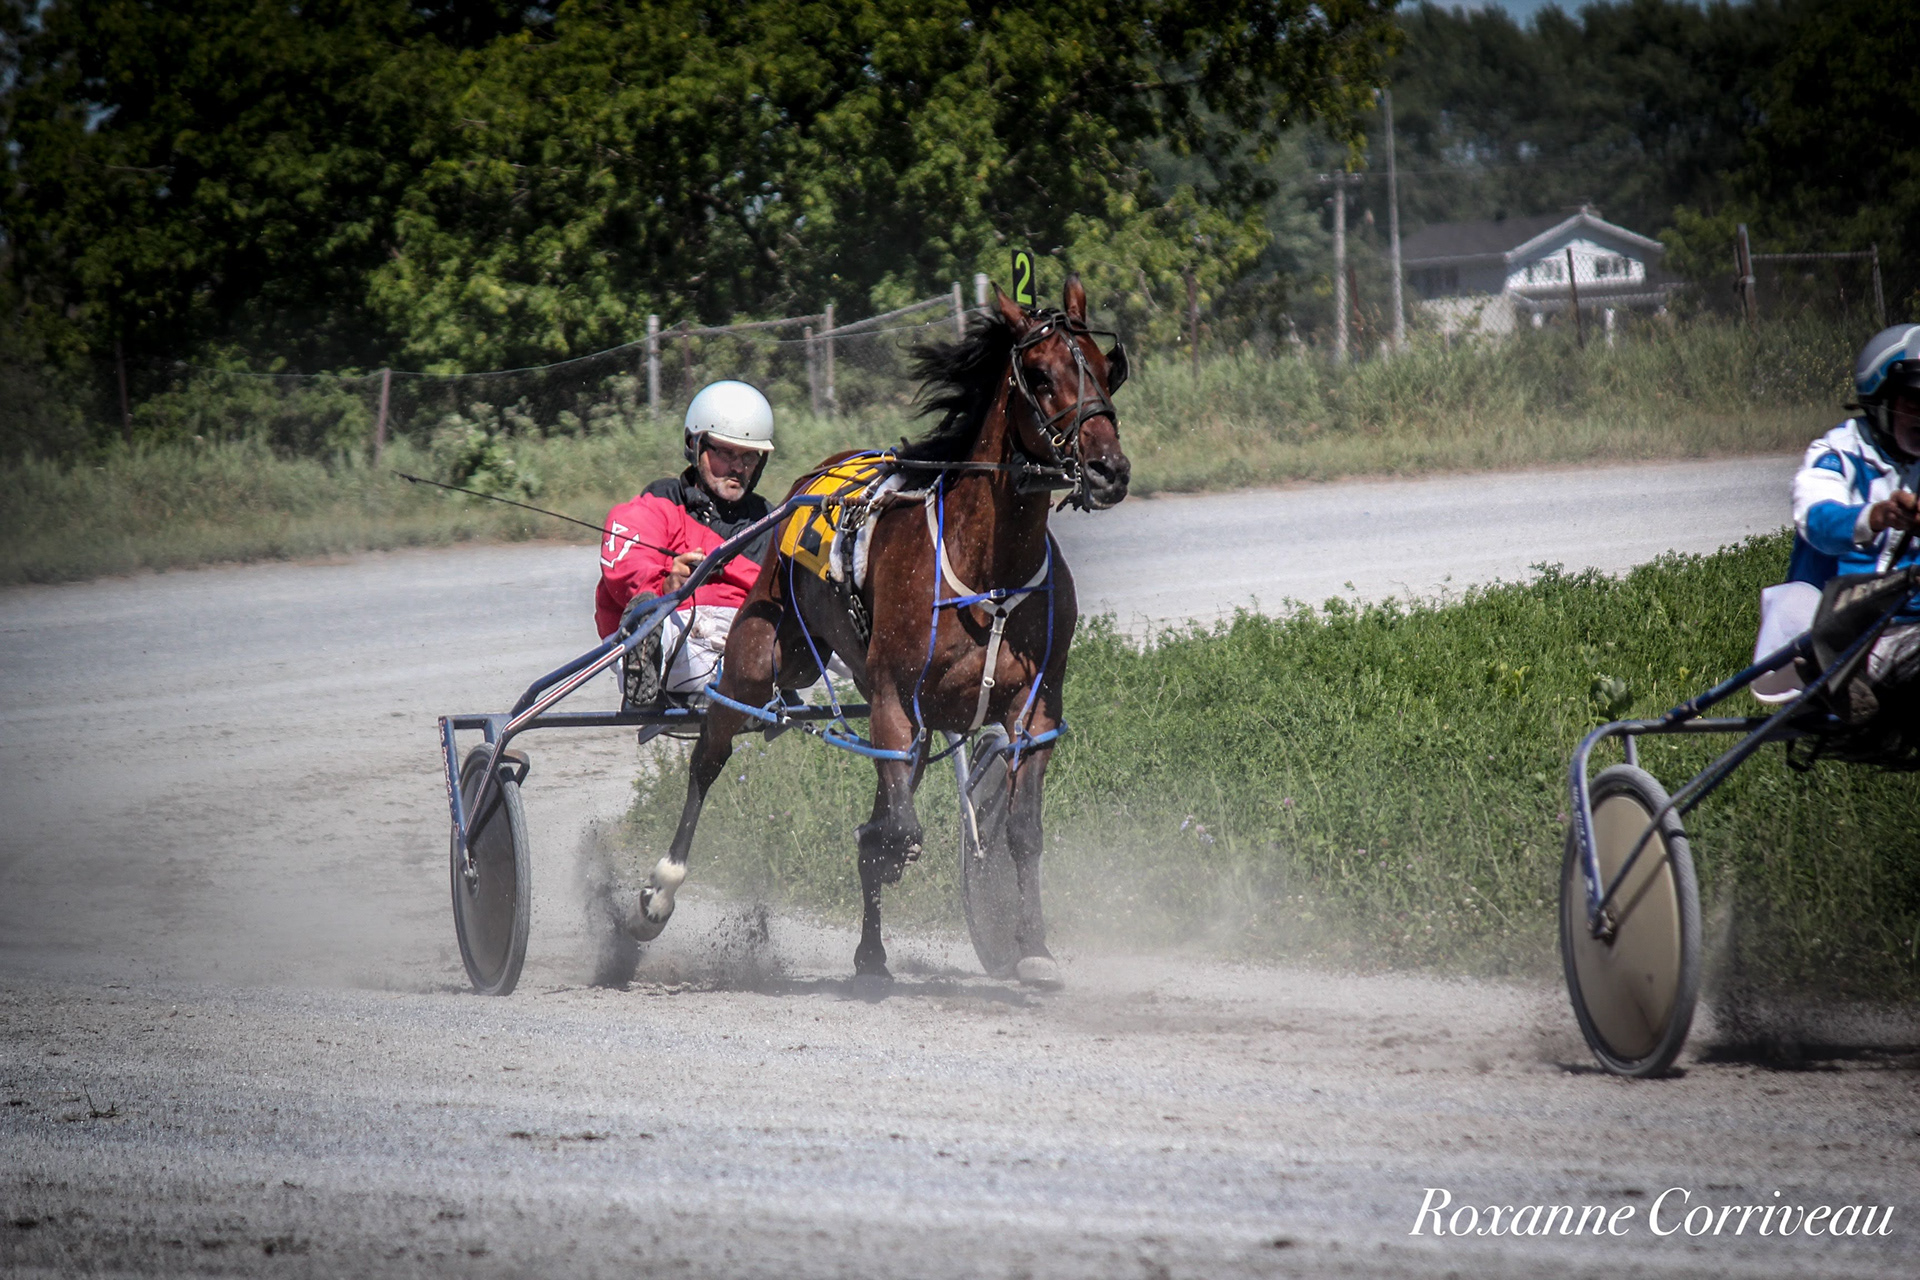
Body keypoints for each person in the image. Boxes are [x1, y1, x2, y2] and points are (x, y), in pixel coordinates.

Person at [1753, 323, 1920, 708]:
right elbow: (1815, 518)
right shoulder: (1839, 452)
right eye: (1914, 401)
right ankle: (1832, 678)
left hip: (1905, 633)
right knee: (1792, 600)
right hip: (1830, 628)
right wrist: (1876, 517)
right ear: (1880, 400)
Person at [596, 380, 776, 707]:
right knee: (648, 614)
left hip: (744, 641)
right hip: (671, 633)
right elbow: (625, 563)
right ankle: (646, 668)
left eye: (749, 456)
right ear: (694, 444)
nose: (738, 467)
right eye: (726, 452)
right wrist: (666, 582)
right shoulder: (659, 501)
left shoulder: (771, 522)